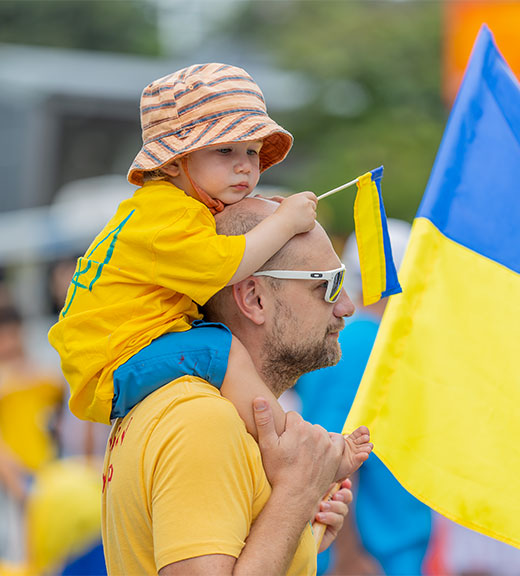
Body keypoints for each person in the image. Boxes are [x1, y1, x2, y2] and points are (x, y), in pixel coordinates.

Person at [48, 63, 370, 482]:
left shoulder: (173, 209)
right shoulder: (167, 215)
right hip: (115, 362)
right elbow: (226, 264)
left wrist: (268, 213)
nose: (245, 167)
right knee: (225, 351)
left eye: (252, 152)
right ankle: (294, 449)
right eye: (225, 150)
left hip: (122, 355)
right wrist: (284, 222)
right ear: (175, 162)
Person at [102, 197, 358, 574]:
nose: (347, 306)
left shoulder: (189, 410)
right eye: (330, 284)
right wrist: (296, 495)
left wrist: (299, 532)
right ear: (254, 299)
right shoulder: (201, 421)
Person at [295, 219, 434, 575]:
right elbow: (332, 456)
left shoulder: (369, 341)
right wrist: (349, 557)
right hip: (369, 559)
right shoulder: (360, 346)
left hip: (390, 554)